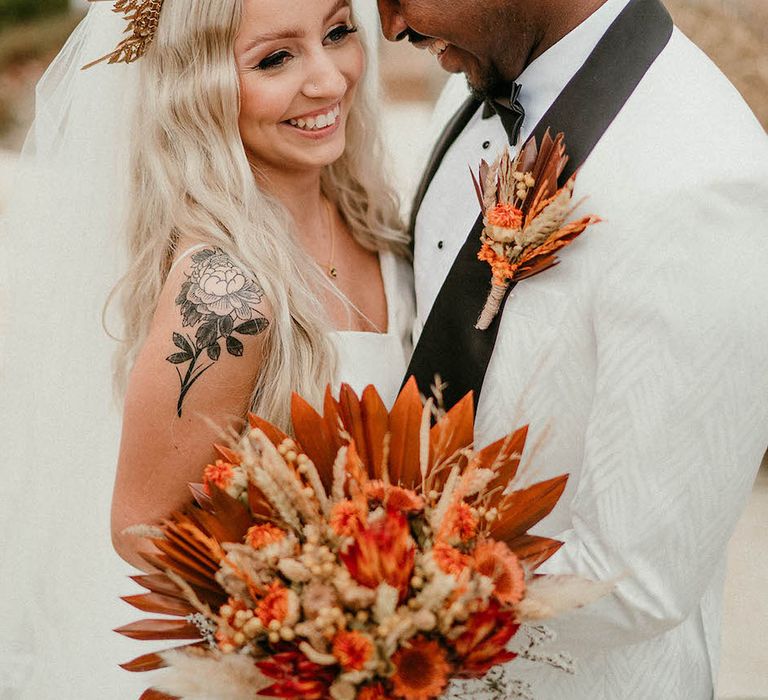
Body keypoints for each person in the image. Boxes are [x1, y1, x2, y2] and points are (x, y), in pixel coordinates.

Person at [0, 0, 412, 697]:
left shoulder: (375, 221)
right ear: (200, 86)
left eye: (338, 33)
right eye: (275, 58)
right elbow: (142, 528)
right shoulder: (226, 289)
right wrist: (314, 618)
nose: (329, 79)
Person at [377, 0, 768, 697]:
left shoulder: (705, 184)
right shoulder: (466, 86)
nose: (390, 26)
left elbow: (635, 579)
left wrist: (354, 598)